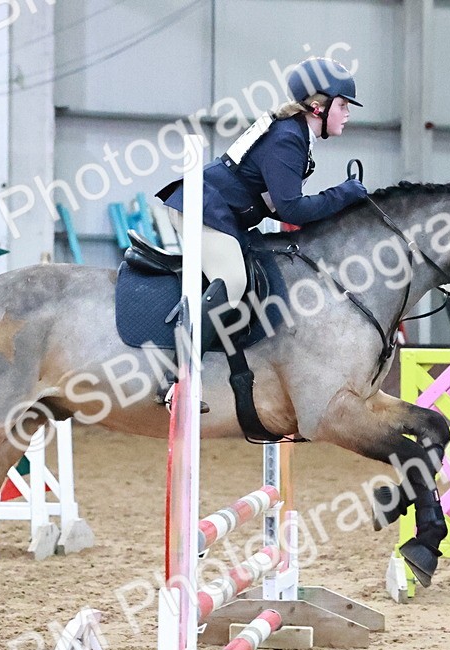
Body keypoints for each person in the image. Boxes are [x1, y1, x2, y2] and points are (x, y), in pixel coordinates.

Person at [156, 57, 369, 409]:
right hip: (202, 208)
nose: (347, 114)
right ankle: (176, 379)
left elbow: (278, 206)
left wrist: (339, 202)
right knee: (233, 281)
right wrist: (343, 194)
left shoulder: (297, 135)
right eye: (343, 105)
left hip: (222, 213)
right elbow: (292, 210)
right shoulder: (288, 138)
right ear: (319, 106)